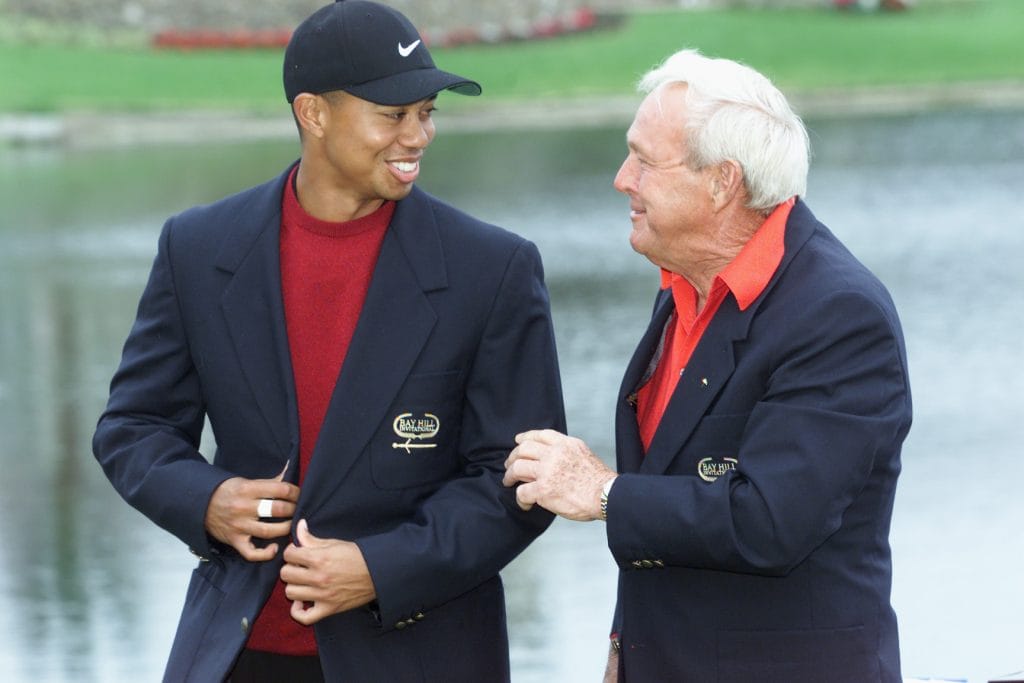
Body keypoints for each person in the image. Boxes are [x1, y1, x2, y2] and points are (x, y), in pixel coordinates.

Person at [92, 1, 564, 681]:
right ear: (314, 114)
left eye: (427, 111)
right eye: (393, 114)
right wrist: (206, 501)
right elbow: (132, 428)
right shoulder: (197, 248)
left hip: (419, 655)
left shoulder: (493, 269)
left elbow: (519, 478)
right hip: (238, 656)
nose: (418, 136)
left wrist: (381, 568)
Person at [504, 48, 911, 682]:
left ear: (722, 181)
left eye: (644, 160)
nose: (621, 178)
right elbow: (669, 486)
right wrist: (624, 646)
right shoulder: (684, 284)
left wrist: (603, 492)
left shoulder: (838, 314)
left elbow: (770, 522)